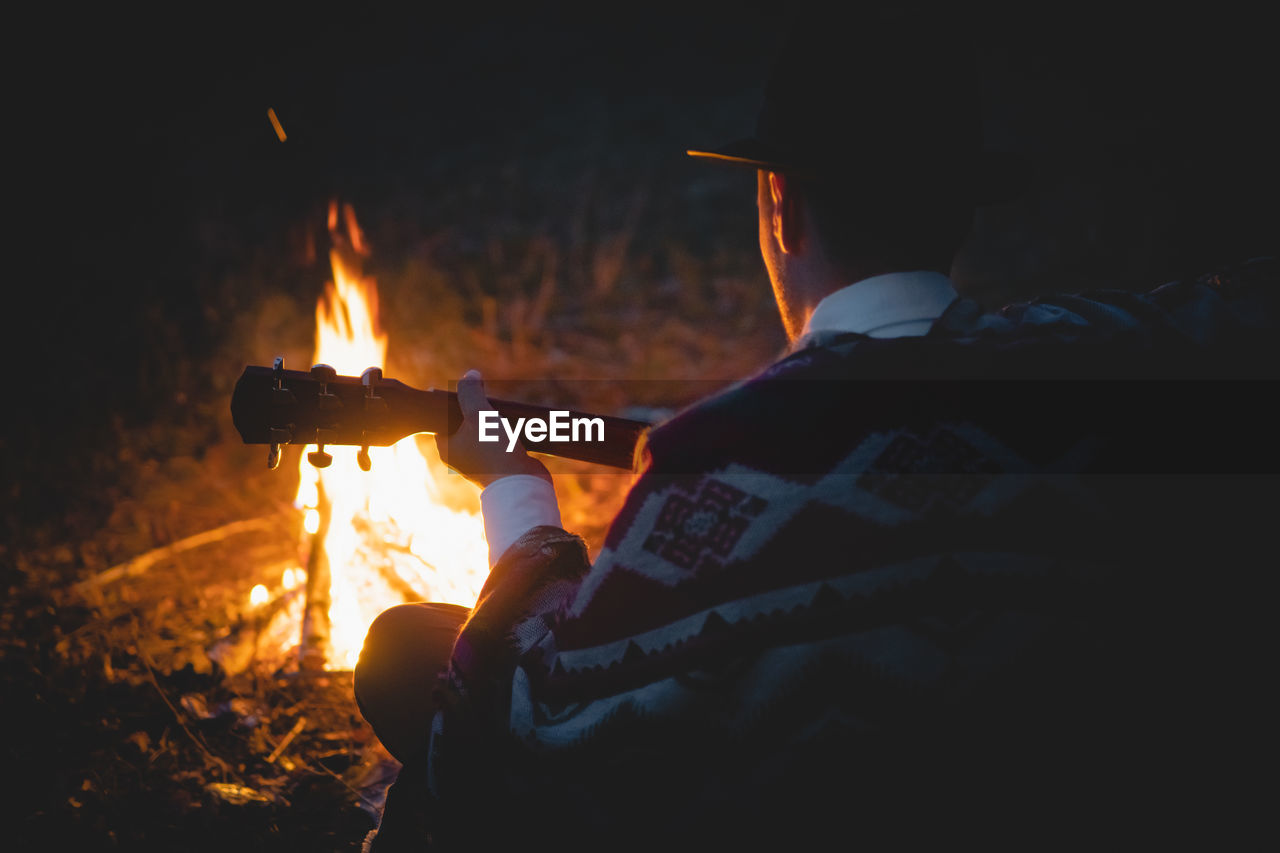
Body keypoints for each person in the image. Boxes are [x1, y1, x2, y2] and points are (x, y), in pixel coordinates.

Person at [355, 15, 1277, 851]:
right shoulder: (1118, 360)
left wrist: (515, 490)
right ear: (958, 209)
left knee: (407, 654)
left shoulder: (711, 476)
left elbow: (531, 736)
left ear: (780, 205)